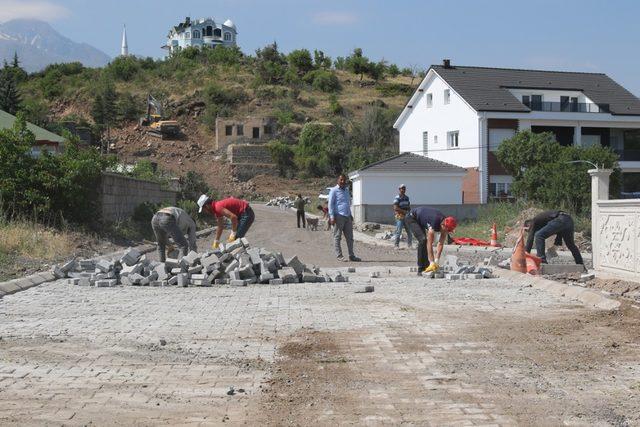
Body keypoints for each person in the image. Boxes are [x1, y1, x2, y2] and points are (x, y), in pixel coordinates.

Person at [404, 206, 457, 275]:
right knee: (423, 240)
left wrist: (436, 260)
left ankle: (427, 265)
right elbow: (429, 244)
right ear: (443, 225)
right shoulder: (434, 223)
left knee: (424, 240)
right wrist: (432, 262)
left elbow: (440, 244)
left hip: (421, 219)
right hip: (412, 218)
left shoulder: (445, 224)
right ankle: (421, 268)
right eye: (447, 230)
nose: (447, 232)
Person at [328, 173, 361, 262]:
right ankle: (339, 256)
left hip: (347, 216)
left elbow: (348, 203)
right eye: (341, 180)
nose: (343, 181)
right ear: (338, 180)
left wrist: (350, 214)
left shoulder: (346, 190)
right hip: (338, 216)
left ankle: (352, 255)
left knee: (350, 238)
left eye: (344, 180)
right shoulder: (334, 191)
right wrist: (331, 216)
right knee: (337, 237)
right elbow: (330, 204)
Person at [393, 184, 412, 248]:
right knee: (398, 231)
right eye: (402, 188)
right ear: (399, 189)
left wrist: (409, 212)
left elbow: (409, 206)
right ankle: (396, 245)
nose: (403, 190)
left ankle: (409, 245)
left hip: (406, 216)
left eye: (404, 189)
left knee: (409, 231)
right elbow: (395, 208)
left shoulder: (407, 198)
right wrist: (404, 211)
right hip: (399, 216)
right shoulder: (397, 198)